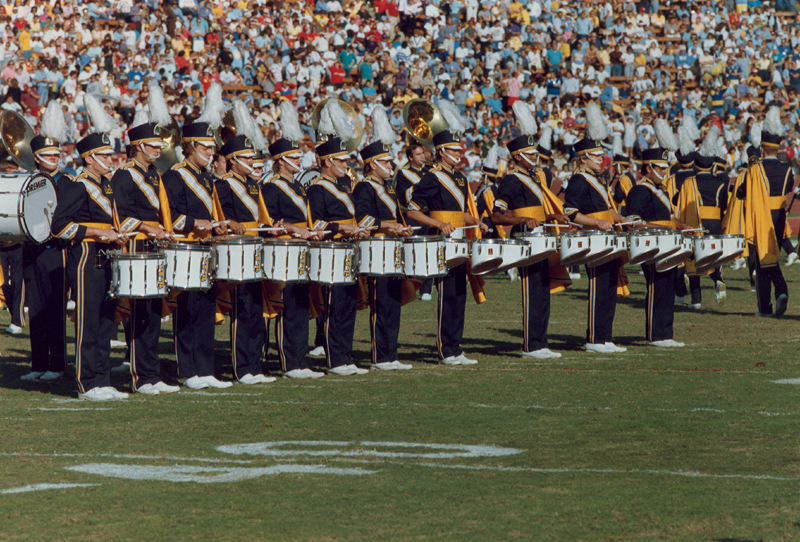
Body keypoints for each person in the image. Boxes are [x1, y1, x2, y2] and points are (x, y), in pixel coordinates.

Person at [50, 103, 128, 401]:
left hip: (106, 257)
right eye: (106, 155)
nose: (111, 159)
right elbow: (59, 226)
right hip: (84, 259)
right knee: (88, 321)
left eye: (111, 154)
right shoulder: (76, 184)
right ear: (89, 158)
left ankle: (103, 378)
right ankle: (86, 383)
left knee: (107, 321)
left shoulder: (105, 185)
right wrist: (99, 233)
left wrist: (116, 236)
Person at [406, 123, 488, 366]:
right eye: (455, 150)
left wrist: (476, 221)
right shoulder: (431, 178)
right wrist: (438, 224)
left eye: (460, 150)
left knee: (460, 294)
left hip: (460, 241)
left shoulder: (461, 178)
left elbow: (459, 213)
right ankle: (445, 350)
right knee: (447, 295)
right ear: (441, 151)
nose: (460, 153)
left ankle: (456, 347)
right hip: (441, 242)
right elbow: (412, 211)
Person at [111, 119, 181, 395]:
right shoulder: (124, 174)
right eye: (153, 146)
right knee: (140, 314)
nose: (157, 150)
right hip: (136, 248)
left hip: (154, 247)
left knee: (153, 313)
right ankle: (140, 377)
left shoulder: (153, 173)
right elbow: (119, 215)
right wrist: (146, 227)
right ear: (138, 146)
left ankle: (152, 374)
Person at [161, 119, 231, 389]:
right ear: (190, 147)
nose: (211, 152)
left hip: (206, 250)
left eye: (212, 147)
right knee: (188, 310)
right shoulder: (175, 175)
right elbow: (170, 216)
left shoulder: (206, 177)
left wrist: (218, 224)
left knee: (204, 310)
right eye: (205, 147)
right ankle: (189, 371)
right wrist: (194, 223)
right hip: (184, 251)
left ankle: (205, 369)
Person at [490, 128, 571, 359]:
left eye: (535, 154)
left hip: (540, 238)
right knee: (532, 291)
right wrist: (522, 219)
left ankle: (541, 342)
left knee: (543, 291)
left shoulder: (534, 178)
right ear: (517, 157)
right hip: (525, 239)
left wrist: (553, 217)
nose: (536, 158)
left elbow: (537, 213)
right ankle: (530, 346)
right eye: (531, 154)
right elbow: (496, 216)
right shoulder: (511, 180)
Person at [214, 134, 277, 384]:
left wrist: (271, 227)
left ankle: (255, 365)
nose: (252, 162)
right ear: (233, 160)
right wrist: (231, 223)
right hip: (237, 250)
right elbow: (220, 215)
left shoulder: (253, 184)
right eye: (247, 158)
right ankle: (242, 369)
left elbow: (261, 217)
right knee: (242, 309)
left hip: (256, 246)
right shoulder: (223, 184)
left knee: (255, 308)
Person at [354, 107, 414, 370]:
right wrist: (387, 225)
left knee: (393, 303)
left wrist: (401, 228)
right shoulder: (365, 186)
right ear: (373, 165)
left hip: (392, 250)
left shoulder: (387, 188)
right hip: (376, 251)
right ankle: (381, 356)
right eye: (387, 162)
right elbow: (362, 219)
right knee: (381, 304)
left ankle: (391, 354)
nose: (392, 166)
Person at [262, 123, 324, 378]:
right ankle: (289, 363)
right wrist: (293, 228)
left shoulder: (298, 185)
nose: (300, 159)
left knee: (300, 305)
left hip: (302, 250)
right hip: (284, 251)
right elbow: (271, 223)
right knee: (287, 306)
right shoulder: (271, 186)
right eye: (295, 157)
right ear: (281, 161)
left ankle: (300, 360)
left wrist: (313, 231)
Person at [308, 135, 369, 375]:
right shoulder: (316, 188)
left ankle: (345, 356)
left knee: (348, 306)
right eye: (342, 161)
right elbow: (316, 223)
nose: (346, 165)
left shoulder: (343, 186)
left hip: (349, 250)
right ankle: (335, 359)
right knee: (334, 306)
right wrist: (343, 228)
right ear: (327, 162)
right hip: (331, 253)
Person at [563, 129, 628, 354]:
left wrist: (622, 218)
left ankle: (605, 337)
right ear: (583, 158)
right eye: (597, 155)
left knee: (610, 286)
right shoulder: (579, 180)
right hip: (593, 240)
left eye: (602, 155)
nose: (602, 159)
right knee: (598, 287)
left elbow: (607, 210)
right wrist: (595, 223)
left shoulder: (598, 178)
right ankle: (594, 339)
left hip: (608, 238)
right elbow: (570, 212)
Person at [20, 102, 70, 381]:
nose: (55, 158)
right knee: (36, 308)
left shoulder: (66, 181)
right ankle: (38, 364)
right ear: (37, 157)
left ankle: (57, 365)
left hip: (55, 251)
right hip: (31, 250)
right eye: (49, 155)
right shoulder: (27, 182)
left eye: (57, 153)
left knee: (54, 309)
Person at [625, 148, 688, 347]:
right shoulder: (639, 190)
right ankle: (655, 334)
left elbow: (669, 218)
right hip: (650, 245)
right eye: (661, 168)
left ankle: (666, 334)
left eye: (665, 168)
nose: (664, 172)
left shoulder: (662, 189)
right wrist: (663, 228)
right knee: (657, 286)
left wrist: (683, 226)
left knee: (668, 286)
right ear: (649, 168)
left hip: (667, 244)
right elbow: (634, 221)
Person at [738, 107, 792, 317]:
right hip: (779, 216)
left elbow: (741, 193)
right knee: (772, 256)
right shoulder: (787, 169)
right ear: (778, 148)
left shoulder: (754, 170)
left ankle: (769, 303)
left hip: (761, 216)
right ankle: (780, 292)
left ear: (761, 148)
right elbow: (788, 190)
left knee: (762, 261)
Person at [675, 128, 728, 309]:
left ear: (696, 165)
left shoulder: (689, 182)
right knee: (713, 256)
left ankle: (696, 300)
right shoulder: (719, 182)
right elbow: (724, 205)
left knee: (693, 259)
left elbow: (678, 201)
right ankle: (718, 280)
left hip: (695, 222)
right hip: (714, 222)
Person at [394, 141, 433, 299]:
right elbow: (404, 197)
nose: (422, 156)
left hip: (429, 216)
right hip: (413, 217)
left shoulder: (430, 171)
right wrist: (423, 185)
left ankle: (427, 289)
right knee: (413, 253)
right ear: (410, 157)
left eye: (423, 153)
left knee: (429, 252)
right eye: (418, 154)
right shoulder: (403, 174)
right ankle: (412, 286)